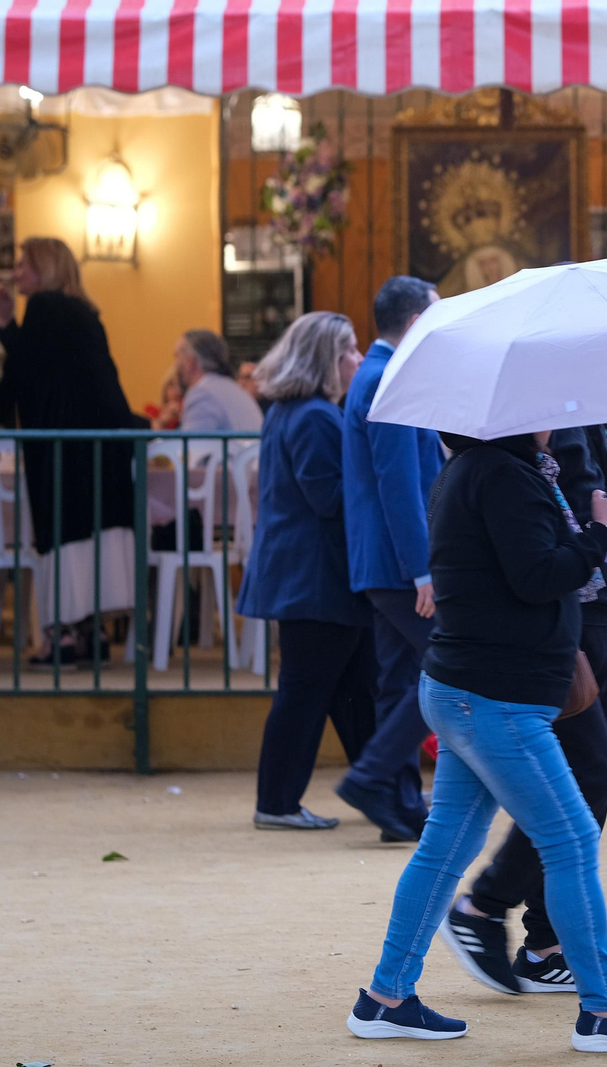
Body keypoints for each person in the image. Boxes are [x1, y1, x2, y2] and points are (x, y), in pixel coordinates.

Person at [347, 428, 607, 1054]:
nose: (555, 415)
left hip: (471, 687)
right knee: (571, 838)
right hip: (495, 696)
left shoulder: (482, 468)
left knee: (447, 846)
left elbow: (527, 572)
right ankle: (604, 1011)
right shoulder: (501, 473)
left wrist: (592, 543)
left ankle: (386, 997)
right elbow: (538, 576)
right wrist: (603, 532)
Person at [439, 423, 607, 996]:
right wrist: (603, 536)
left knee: (578, 784)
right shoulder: (519, 445)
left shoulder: (547, 426)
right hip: (564, 617)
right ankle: (491, 912)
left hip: (584, 609)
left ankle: (539, 939)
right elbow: (555, 538)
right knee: (584, 780)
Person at [238, 312, 376, 831]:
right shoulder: (316, 416)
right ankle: (277, 802)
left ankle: (382, 782)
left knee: (351, 686)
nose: (358, 360)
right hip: (316, 576)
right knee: (311, 690)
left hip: (308, 574)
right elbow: (331, 499)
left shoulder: (290, 411)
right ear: (326, 360)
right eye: (349, 351)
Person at [0, 237, 141, 668]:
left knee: (62, 538)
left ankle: (61, 636)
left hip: (61, 450)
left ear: (45, 269)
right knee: (93, 538)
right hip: (100, 447)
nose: (16, 273)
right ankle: (92, 633)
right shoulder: (84, 313)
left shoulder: (43, 308)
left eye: (24, 264)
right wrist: (9, 324)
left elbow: (24, 372)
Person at [337, 277, 444, 842]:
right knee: (451, 662)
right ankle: (373, 778)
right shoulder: (388, 377)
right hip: (400, 564)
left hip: (384, 561)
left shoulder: (375, 373)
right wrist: (421, 567)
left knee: (398, 678)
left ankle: (397, 801)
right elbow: (398, 483)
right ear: (415, 322)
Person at [175, 329, 262, 434]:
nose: (175, 366)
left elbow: (193, 442)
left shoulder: (202, 394)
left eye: (177, 357)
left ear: (190, 362)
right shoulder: (237, 390)